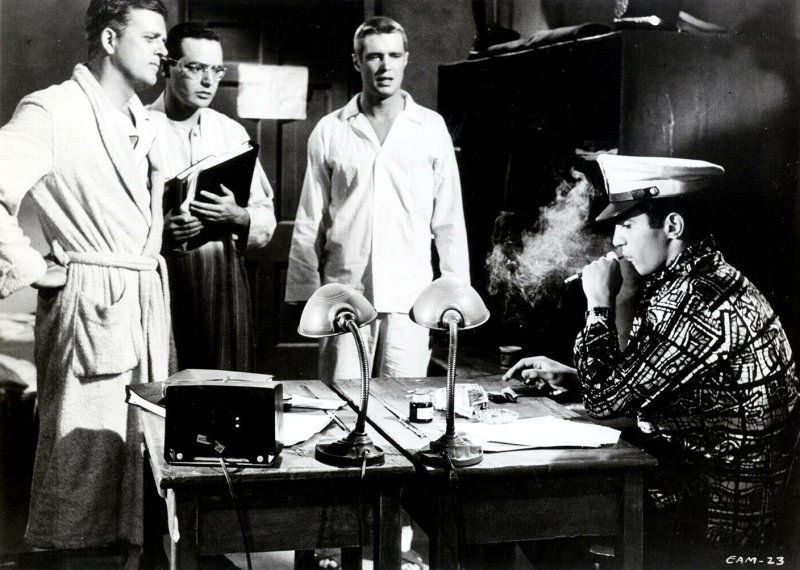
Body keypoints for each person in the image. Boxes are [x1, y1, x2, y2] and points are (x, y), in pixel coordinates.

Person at [504, 154, 799, 566]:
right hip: (709, 481)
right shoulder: (702, 279)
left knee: (528, 509)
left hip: (713, 511)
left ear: (673, 226)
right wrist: (574, 376)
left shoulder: (695, 301)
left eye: (627, 226)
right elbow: (649, 381)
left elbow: (605, 404)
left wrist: (599, 304)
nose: (616, 242)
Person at [0, 0, 171, 552]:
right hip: (91, 309)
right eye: (151, 37)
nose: (163, 49)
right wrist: (34, 270)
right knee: (81, 462)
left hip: (143, 301)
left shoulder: (143, 122)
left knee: (142, 459)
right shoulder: (53, 110)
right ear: (109, 40)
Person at [286, 16, 469, 380]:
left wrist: (455, 294)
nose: (385, 66)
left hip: (410, 298)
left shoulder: (430, 128)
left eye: (393, 55)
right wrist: (306, 292)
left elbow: (449, 221)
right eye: (373, 56)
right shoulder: (331, 130)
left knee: (404, 400)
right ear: (357, 61)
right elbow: (310, 218)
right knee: (343, 399)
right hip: (344, 294)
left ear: (406, 59)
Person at [148, 22, 276, 372]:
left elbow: (265, 214)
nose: (209, 81)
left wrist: (239, 216)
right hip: (162, 280)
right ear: (167, 67)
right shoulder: (137, 130)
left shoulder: (230, 132)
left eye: (216, 70)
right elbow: (114, 218)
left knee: (224, 382)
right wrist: (159, 233)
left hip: (222, 280)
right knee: (165, 379)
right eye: (195, 67)